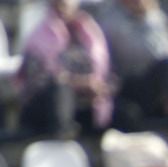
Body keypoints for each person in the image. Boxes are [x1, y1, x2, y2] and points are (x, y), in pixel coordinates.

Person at [94, 0, 168, 131]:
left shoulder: (157, 17)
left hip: (154, 81)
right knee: (166, 66)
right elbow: (138, 54)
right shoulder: (110, 20)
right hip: (125, 84)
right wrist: (142, 20)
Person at [16, 0, 115, 138]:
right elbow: (39, 82)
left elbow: (104, 71)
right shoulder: (38, 37)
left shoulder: (91, 31)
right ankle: (63, 138)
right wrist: (77, 83)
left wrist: (98, 86)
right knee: (61, 91)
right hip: (46, 107)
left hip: (85, 103)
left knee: (124, 113)